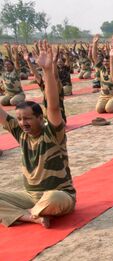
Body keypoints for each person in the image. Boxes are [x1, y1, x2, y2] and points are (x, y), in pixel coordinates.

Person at [0, 40, 75, 228]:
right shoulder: (21, 133)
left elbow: (54, 106)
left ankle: (28, 214)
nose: (23, 123)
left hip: (59, 195)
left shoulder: (52, 133)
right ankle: (32, 217)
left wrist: (48, 71)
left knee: (53, 198)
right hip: (30, 197)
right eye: (19, 119)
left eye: (28, 119)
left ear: (41, 119)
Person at [91, 35, 113, 114]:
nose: (105, 63)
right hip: (104, 96)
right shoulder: (102, 68)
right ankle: (109, 104)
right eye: (104, 62)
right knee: (99, 110)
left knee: (109, 109)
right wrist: (94, 44)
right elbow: (94, 57)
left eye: (107, 62)